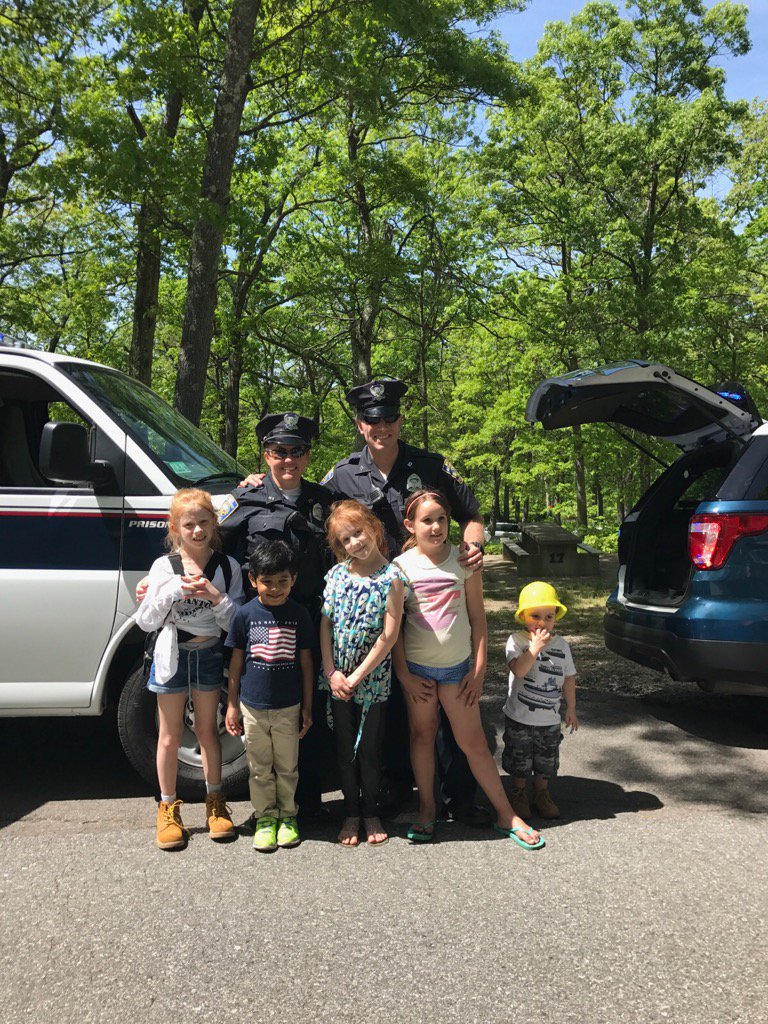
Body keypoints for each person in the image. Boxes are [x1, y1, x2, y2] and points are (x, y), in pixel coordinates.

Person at [392, 489, 543, 849]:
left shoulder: (465, 562)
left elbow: (478, 620)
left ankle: (506, 814)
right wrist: (404, 675)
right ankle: (427, 810)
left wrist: (477, 672)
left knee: (473, 742)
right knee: (422, 737)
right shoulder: (400, 568)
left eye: (442, 519)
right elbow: (393, 629)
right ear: (410, 524)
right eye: (427, 520)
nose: (436, 527)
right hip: (418, 671)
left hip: (458, 672)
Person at [212, 412, 334, 821]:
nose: (288, 460)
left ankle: (309, 805)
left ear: (307, 455)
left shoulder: (324, 501)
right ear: (266, 455)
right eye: (280, 451)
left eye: (297, 451)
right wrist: (173, 578)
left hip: (311, 623)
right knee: (262, 718)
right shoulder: (242, 500)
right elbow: (209, 546)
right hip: (261, 628)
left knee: (308, 711)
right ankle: (268, 809)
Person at [134, 488, 244, 850]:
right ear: (175, 528)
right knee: (168, 735)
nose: (197, 531)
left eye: (203, 523)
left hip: (209, 655)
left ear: (214, 524)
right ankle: (167, 808)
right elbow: (146, 621)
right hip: (172, 656)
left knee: (207, 733)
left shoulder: (226, 567)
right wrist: (170, 592)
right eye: (189, 525)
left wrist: (214, 596)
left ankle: (216, 803)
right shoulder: (163, 567)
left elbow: (235, 623)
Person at [319, 501, 404, 847]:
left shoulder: (392, 578)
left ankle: (371, 811)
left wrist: (357, 677)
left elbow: (390, 634)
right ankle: (350, 811)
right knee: (343, 748)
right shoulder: (337, 574)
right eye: (347, 539)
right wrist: (332, 672)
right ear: (340, 546)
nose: (356, 542)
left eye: (359, 532)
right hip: (337, 680)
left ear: (374, 528)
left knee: (369, 749)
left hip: (371, 682)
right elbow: (324, 625)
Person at [224, 540, 315, 852]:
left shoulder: (299, 615)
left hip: (289, 708)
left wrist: (307, 706)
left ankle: (288, 816)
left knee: (287, 766)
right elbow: (236, 663)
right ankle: (265, 818)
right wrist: (232, 705)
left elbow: (306, 663)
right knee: (259, 767)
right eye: (267, 582)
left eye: (282, 581)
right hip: (252, 707)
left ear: (294, 580)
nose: (275, 589)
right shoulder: (244, 616)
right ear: (253, 580)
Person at [503, 581, 578, 820]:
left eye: (549, 616)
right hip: (520, 716)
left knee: (547, 759)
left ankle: (541, 793)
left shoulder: (562, 645)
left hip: (549, 718)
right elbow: (520, 670)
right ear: (523, 616)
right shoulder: (517, 641)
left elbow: (569, 678)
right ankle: (518, 792)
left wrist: (572, 709)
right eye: (535, 615)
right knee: (520, 759)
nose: (542, 622)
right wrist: (534, 649)